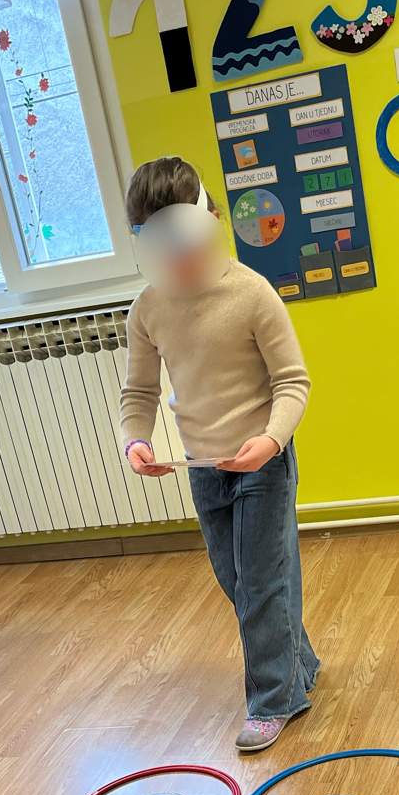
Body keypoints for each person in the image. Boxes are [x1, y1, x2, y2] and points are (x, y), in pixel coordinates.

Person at [118, 156, 318, 752]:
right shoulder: (148, 309)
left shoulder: (251, 293)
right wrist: (136, 439)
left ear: (209, 219)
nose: (179, 257)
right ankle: (298, 662)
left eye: (186, 240)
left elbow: (292, 382)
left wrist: (271, 440)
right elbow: (139, 392)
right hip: (203, 468)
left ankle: (273, 699)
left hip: (263, 463)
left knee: (261, 582)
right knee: (239, 581)